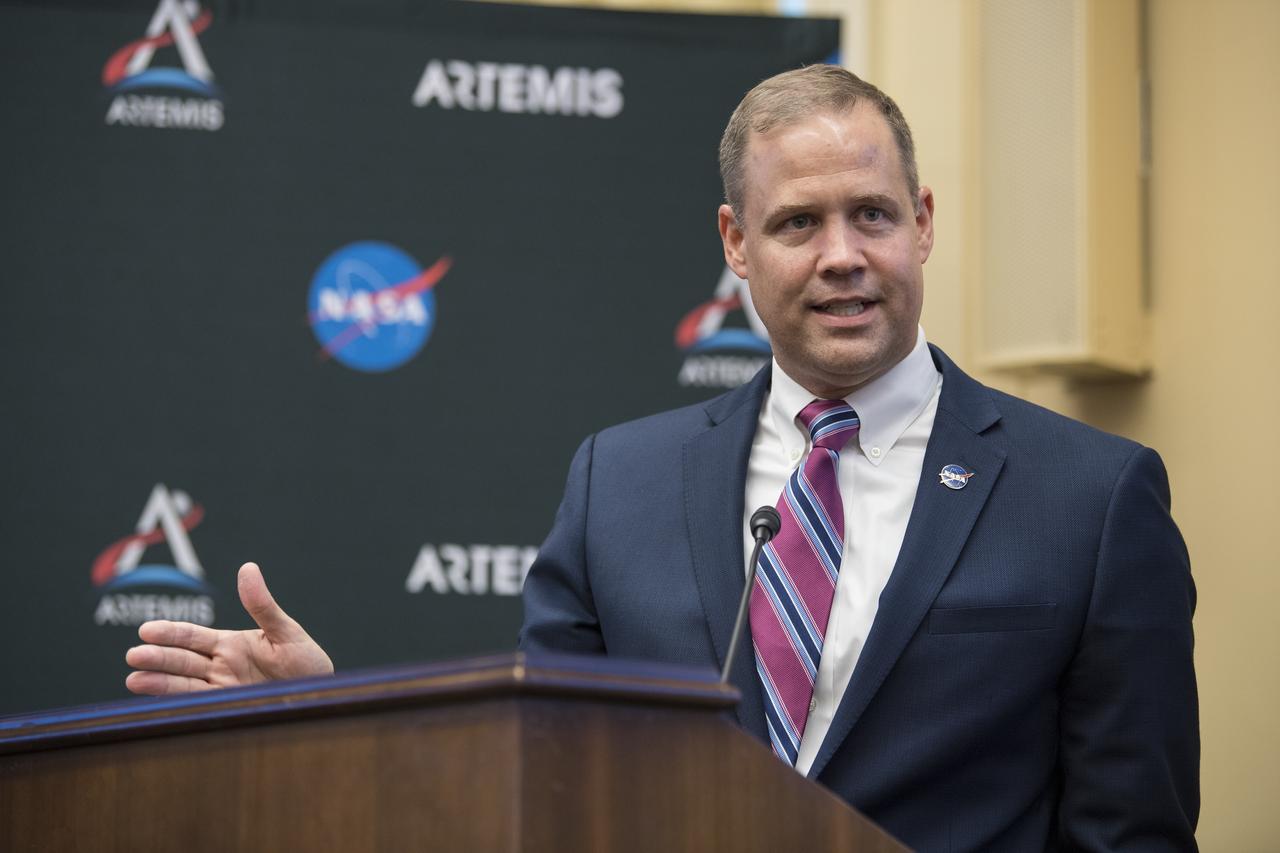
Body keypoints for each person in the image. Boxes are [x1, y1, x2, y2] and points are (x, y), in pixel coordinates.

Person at [125, 65, 1199, 851]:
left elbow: (1131, 835)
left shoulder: (1090, 498)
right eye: (797, 223)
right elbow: (538, 781)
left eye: (871, 215)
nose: (841, 256)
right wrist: (336, 717)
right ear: (734, 242)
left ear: (920, 223)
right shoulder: (617, 484)